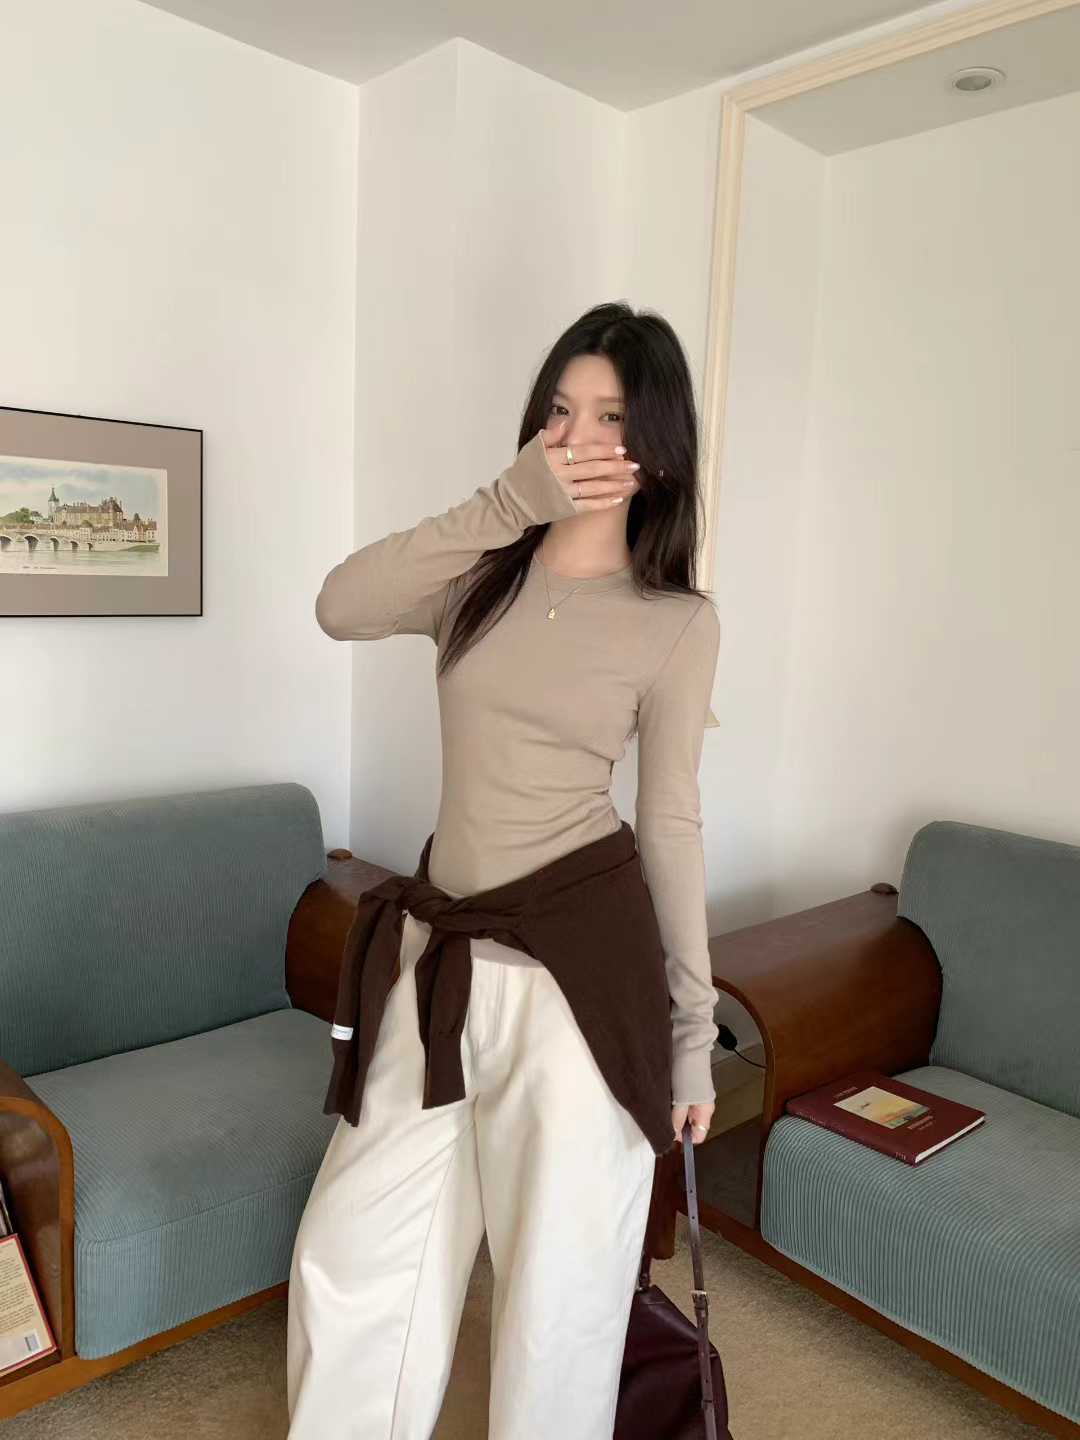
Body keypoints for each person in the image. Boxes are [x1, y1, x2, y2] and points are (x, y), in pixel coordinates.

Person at [287, 301, 722, 1440]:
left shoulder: (676, 622)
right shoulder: (479, 576)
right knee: (354, 1254)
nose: (578, 438)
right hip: (439, 957)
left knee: (556, 1300)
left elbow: (671, 823)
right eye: (559, 413)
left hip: (577, 978)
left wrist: (691, 1033)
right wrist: (505, 502)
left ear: (656, 445)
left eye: (611, 418)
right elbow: (339, 604)